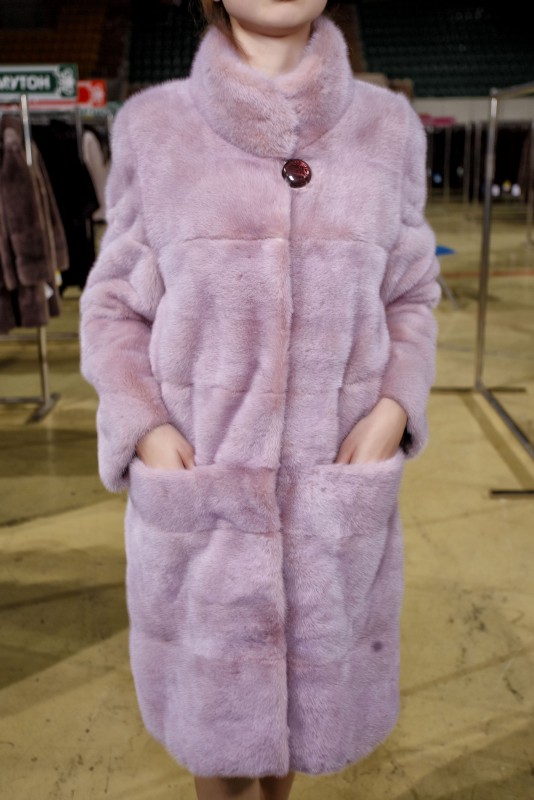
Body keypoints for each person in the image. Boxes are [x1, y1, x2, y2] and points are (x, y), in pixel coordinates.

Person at [79, 1, 441, 799]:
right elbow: (112, 308)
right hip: (204, 503)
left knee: (297, 734)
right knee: (216, 743)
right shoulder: (155, 129)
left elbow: (412, 296)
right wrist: (145, 428)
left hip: (332, 499)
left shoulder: (387, 129)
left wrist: (393, 410)